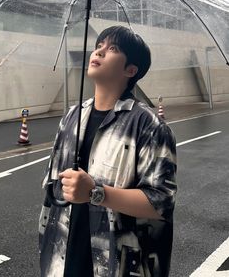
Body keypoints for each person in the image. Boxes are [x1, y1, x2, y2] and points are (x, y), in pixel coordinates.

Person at [39, 25, 177, 277]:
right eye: (98, 46)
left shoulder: (149, 126)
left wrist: (95, 192)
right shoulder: (72, 117)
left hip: (118, 262)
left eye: (112, 49)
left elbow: (160, 202)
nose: (100, 52)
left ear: (130, 70)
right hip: (62, 251)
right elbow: (53, 187)